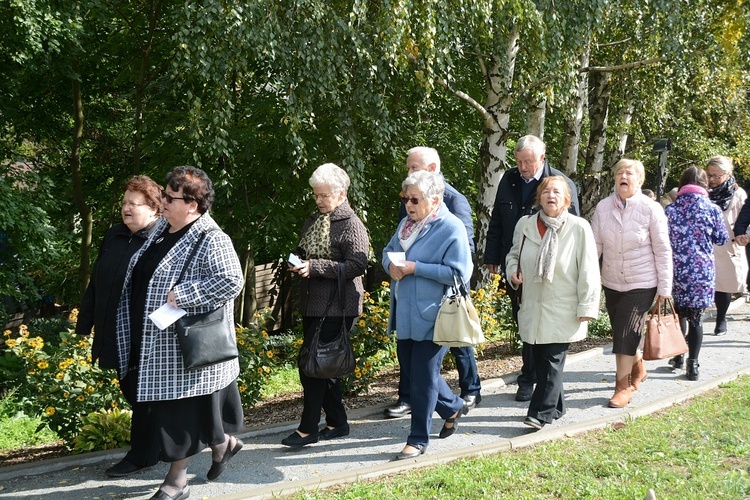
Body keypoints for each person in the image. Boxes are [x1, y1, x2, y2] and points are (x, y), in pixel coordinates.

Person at [116, 166, 245, 500]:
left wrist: (186, 295)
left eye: (170, 199)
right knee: (180, 411)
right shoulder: (162, 229)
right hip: (155, 340)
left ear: (192, 204)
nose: (163, 203)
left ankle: (176, 482)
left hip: (184, 347)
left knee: (178, 414)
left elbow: (232, 281)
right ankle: (222, 445)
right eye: (164, 196)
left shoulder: (210, 237)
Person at [383, 147, 482, 420]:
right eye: (408, 168)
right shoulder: (408, 214)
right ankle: (449, 408)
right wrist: (391, 266)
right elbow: (390, 249)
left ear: (433, 168)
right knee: (419, 370)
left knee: (446, 356)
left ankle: (466, 392)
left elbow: (462, 260)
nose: (411, 173)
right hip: (408, 307)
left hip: (441, 305)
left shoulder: (453, 207)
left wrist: (416, 268)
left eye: (416, 167)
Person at [76, 175, 162, 477]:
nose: (126, 208)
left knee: (142, 392)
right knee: (130, 387)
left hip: (147, 333)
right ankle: (160, 444)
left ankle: (142, 454)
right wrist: (85, 323)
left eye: (133, 204)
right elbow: (96, 283)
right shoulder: (114, 234)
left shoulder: (160, 241)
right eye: (124, 202)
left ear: (153, 209)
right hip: (113, 328)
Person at [484, 134, 579, 402]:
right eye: (519, 161)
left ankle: (533, 380)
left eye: (528, 161)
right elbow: (497, 221)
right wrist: (493, 256)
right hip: (517, 265)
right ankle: (532, 377)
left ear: (542, 158)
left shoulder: (559, 184)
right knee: (525, 321)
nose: (523, 167)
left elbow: (575, 232)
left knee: (547, 328)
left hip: (551, 272)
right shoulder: (509, 179)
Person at [282, 163, 369, 447]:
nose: (318, 200)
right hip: (312, 303)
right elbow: (301, 249)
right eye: (316, 195)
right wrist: (295, 261)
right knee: (324, 364)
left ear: (341, 193)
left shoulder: (351, 223)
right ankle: (337, 422)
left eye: (323, 196)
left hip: (338, 306)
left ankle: (308, 429)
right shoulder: (313, 218)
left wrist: (315, 267)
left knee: (313, 367)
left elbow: (358, 264)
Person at [505, 176, 600, 429]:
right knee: (540, 357)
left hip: (564, 306)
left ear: (567, 199)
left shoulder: (579, 227)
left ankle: (540, 413)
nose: (551, 196)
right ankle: (557, 407)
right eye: (546, 191)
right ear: (539, 197)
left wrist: (588, 306)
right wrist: (513, 272)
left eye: (557, 192)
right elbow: (513, 254)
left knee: (551, 360)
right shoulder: (525, 224)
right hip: (533, 304)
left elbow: (589, 270)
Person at [591, 159, 672, 408]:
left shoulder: (651, 209)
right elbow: (594, 247)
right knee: (622, 332)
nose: (623, 176)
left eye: (629, 173)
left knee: (626, 331)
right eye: (619, 173)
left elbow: (663, 250)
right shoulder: (603, 208)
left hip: (642, 283)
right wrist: (588, 279)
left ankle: (622, 387)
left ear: (639, 180)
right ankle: (638, 368)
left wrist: (664, 289)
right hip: (612, 282)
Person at [665, 166, 728, 381]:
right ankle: (693, 365)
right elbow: (721, 238)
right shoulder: (712, 209)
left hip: (677, 270)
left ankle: (678, 356)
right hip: (702, 271)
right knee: (696, 319)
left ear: (682, 184)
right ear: (704, 185)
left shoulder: (671, 210)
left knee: (680, 314)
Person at [706, 156, 747, 336]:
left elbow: (745, 219)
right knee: (708, 282)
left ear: (728, 174)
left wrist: (744, 235)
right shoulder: (703, 192)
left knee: (724, 284)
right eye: (709, 175)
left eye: (717, 175)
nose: (712, 179)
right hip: (705, 244)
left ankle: (721, 318)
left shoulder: (738, 194)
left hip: (728, 244)